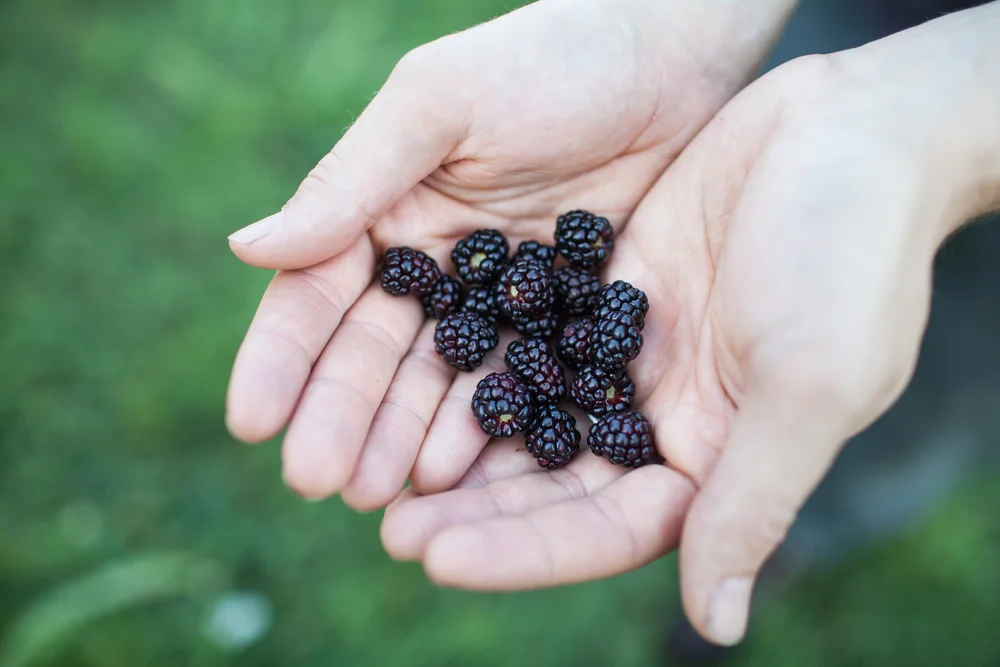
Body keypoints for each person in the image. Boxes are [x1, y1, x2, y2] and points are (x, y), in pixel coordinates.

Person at [223, 0, 1000, 648]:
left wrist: (918, 126)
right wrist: (678, 23)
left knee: (925, 396)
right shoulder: (546, 318)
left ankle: (801, 532)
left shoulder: (567, 329)